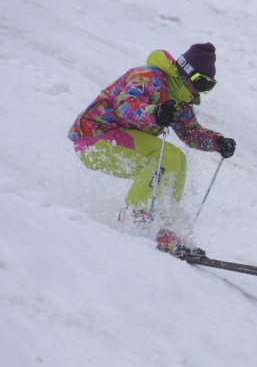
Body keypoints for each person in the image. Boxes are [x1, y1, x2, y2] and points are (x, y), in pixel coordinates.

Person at [68, 43, 235, 255]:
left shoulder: (181, 99)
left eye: (209, 86)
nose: (202, 91)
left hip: (117, 143)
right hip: (95, 136)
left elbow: (190, 133)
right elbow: (126, 105)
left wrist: (217, 142)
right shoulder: (149, 78)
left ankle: (164, 228)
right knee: (166, 156)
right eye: (202, 83)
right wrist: (155, 113)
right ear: (186, 73)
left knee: (177, 160)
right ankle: (134, 218)